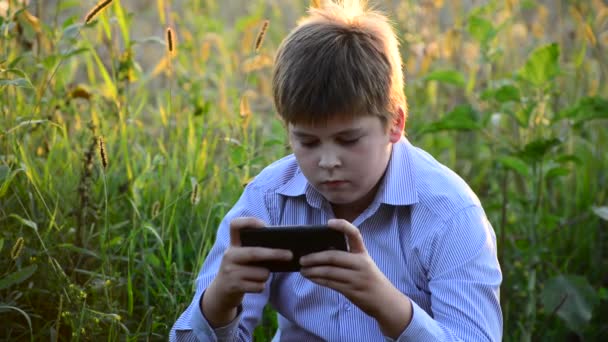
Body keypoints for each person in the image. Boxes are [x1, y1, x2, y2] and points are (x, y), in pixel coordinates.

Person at [171, 0, 502, 340]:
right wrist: (219, 303)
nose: (328, 161)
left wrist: (388, 305)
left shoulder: (449, 213)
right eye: (308, 142)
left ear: (395, 124)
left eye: (348, 139)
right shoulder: (269, 198)